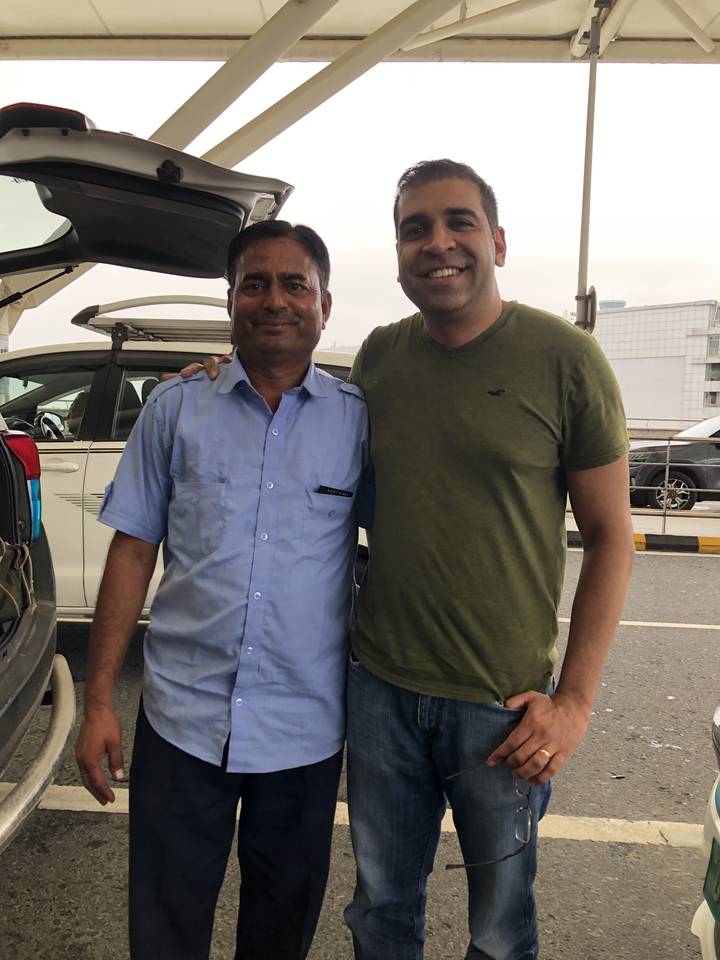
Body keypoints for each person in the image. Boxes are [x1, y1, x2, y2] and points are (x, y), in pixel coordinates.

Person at [191, 160, 635, 960]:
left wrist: (573, 701)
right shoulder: (381, 359)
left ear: (497, 241)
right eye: (415, 229)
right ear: (398, 253)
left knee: (500, 929)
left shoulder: (566, 360)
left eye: (459, 222)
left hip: (502, 707)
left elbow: (612, 538)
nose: (438, 243)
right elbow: (312, 450)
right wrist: (220, 380)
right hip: (380, 694)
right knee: (381, 914)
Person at [75, 220, 370, 960]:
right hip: (182, 719)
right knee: (165, 930)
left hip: (304, 727)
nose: (275, 300)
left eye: (295, 284)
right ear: (231, 300)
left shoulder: (359, 423)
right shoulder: (176, 409)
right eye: (254, 284)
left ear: (324, 305)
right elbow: (132, 551)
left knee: (280, 932)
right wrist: (98, 700)